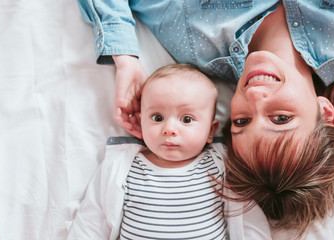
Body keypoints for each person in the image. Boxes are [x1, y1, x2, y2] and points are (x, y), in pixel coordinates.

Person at [76, 0, 334, 238]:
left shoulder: (193, 38)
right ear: (325, 113)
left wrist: (125, 59)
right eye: (281, 118)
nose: (254, 97)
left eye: (242, 121)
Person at [67, 64, 272, 240]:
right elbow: (93, 220)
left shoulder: (221, 166)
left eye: (186, 119)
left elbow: (248, 220)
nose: (169, 129)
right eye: (157, 118)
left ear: (211, 131)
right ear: (140, 121)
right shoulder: (123, 168)